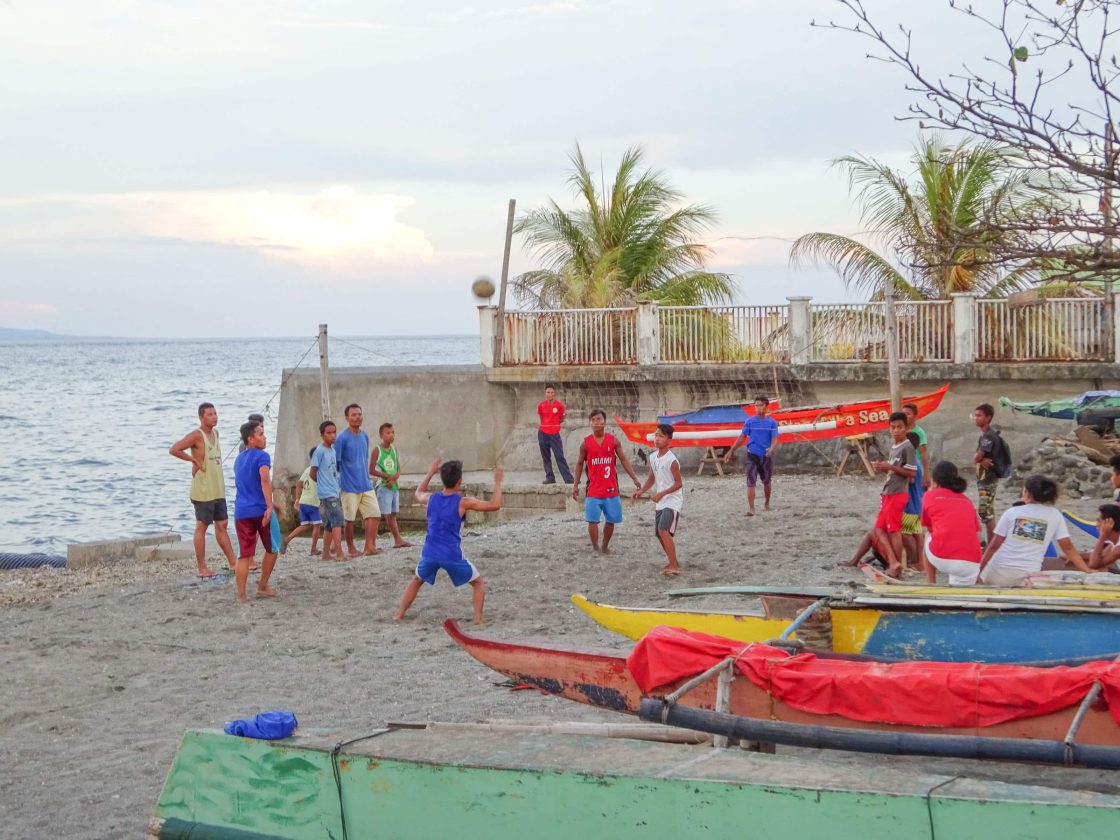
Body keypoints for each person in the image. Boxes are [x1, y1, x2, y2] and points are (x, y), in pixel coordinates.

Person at [394, 460, 502, 624]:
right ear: (459, 482)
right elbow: (495, 505)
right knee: (478, 583)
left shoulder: (431, 498)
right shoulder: (463, 502)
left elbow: (418, 492)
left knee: (417, 580)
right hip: (451, 555)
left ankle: (399, 614)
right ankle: (478, 619)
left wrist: (430, 472)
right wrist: (498, 482)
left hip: (429, 553)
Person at [978, 475, 1093, 586]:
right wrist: (1087, 570)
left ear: (1027, 493)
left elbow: (994, 546)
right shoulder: (1055, 515)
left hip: (998, 573)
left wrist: (979, 571)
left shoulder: (1012, 512)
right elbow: (1068, 548)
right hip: (1027, 576)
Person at [168, 402, 239, 578]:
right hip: (203, 489)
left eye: (215, 413)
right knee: (202, 525)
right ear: (201, 417)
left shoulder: (216, 433)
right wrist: (194, 461)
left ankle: (233, 562)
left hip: (218, 488)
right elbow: (174, 449)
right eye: (210, 414)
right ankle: (202, 567)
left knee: (222, 524)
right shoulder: (196, 436)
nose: (214, 416)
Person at [571, 409, 641, 554]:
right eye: (594, 420)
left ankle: (604, 545)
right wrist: (575, 485)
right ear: (590, 423)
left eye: (599, 419)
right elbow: (579, 464)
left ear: (604, 421)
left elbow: (624, 460)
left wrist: (635, 479)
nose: (597, 422)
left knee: (611, 520)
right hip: (593, 490)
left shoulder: (613, 440)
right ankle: (595, 547)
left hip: (611, 489)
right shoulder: (586, 444)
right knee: (592, 521)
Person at [232, 421, 280, 602]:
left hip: (242, 511)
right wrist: (269, 506)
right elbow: (264, 479)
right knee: (273, 548)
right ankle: (262, 586)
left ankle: (242, 595)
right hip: (260, 510)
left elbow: (247, 485)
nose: (264, 437)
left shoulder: (239, 459)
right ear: (250, 439)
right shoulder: (262, 456)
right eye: (260, 434)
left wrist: (272, 505)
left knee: (244, 554)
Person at [870, 412, 917, 578]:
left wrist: (890, 468)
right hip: (889, 492)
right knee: (878, 529)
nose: (896, 430)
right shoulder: (894, 446)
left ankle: (895, 567)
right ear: (889, 428)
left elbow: (911, 473)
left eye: (900, 427)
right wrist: (882, 467)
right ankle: (893, 562)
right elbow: (894, 469)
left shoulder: (907, 446)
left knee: (894, 530)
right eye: (893, 427)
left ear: (906, 428)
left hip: (898, 493)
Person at [920, 461, 983, 585]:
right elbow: (974, 532)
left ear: (935, 482)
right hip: (972, 562)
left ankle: (931, 584)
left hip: (942, 558)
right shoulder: (967, 501)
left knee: (928, 536)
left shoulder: (929, 495)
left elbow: (930, 528)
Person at [633, 424, 684, 576]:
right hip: (661, 501)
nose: (657, 439)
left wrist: (662, 494)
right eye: (656, 435)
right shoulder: (653, 457)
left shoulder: (672, 460)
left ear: (669, 440)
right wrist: (641, 491)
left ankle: (674, 565)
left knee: (663, 530)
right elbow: (651, 478)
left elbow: (679, 483)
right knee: (658, 533)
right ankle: (672, 560)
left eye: (661, 436)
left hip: (673, 501)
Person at [335, 403, 381, 557]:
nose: (357, 417)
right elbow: (336, 463)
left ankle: (369, 546)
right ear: (347, 418)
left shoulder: (364, 436)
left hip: (365, 483)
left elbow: (364, 458)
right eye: (353, 415)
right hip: (348, 485)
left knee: (374, 514)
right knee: (350, 519)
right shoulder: (341, 438)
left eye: (359, 414)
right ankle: (351, 548)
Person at [723, 395, 780, 515]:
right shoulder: (749, 421)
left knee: (767, 482)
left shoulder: (772, 423)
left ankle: (767, 503)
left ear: (766, 406)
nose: (759, 408)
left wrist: (772, 448)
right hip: (752, 456)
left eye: (761, 405)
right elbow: (741, 438)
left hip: (766, 457)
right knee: (751, 482)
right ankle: (751, 508)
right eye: (756, 405)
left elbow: (775, 439)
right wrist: (731, 451)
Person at [371, 422, 412, 549]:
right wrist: (387, 477)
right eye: (388, 433)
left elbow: (398, 468)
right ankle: (371, 543)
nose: (391, 435)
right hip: (384, 486)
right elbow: (371, 470)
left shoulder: (393, 449)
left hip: (394, 486)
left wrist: (395, 478)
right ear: (381, 435)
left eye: (393, 432)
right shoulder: (377, 450)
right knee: (379, 515)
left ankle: (398, 540)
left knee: (392, 514)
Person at [311, 420, 343, 561]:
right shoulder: (319, 451)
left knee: (329, 524)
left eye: (334, 432)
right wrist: (323, 483)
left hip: (334, 490)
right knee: (337, 521)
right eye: (328, 433)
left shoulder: (332, 450)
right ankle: (340, 553)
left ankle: (325, 554)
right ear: (322, 435)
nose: (332, 435)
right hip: (327, 493)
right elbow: (313, 472)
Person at [973, 403, 1001, 542]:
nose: (976, 418)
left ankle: (992, 542)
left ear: (988, 417)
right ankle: (992, 542)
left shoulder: (988, 436)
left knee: (985, 511)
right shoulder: (986, 435)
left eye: (979, 416)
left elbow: (976, 457)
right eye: (975, 415)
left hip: (987, 479)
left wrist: (978, 459)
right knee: (988, 511)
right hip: (986, 479)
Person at [287, 447, 322, 556]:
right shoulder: (319, 471)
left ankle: (286, 540)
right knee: (317, 525)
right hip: (312, 502)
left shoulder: (308, 469)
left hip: (304, 502)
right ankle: (313, 549)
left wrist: (297, 499)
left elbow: (298, 483)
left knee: (305, 525)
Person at [900, 431, 926, 573]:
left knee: (905, 532)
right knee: (917, 532)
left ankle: (915, 559)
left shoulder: (911, 463)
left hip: (909, 503)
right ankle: (920, 561)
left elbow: (909, 479)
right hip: (918, 502)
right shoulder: (916, 461)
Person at [538, 385, 574, 485]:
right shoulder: (541, 405)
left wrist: (554, 425)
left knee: (559, 456)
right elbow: (541, 417)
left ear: (554, 394)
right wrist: (544, 427)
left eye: (552, 392)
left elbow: (562, 418)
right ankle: (550, 477)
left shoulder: (559, 406)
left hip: (554, 435)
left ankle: (568, 478)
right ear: (545, 394)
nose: (550, 394)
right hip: (543, 434)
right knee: (546, 457)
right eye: (548, 392)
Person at [902, 403, 932, 489]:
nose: (905, 416)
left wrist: (926, 474)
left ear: (915, 416)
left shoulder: (919, 432)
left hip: (916, 468)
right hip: (904, 468)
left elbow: (923, 454)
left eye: (908, 414)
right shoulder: (900, 431)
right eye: (903, 414)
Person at [1085, 503, 1120, 572]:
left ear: (1109, 523)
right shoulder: (1112, 543)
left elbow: (1093, 564)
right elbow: (1097, 555)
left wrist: (1102, 536)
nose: (1096, 525)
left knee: (1101, 569)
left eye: (1098, 521)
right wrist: (1073, 555)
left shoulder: (1118, 549)